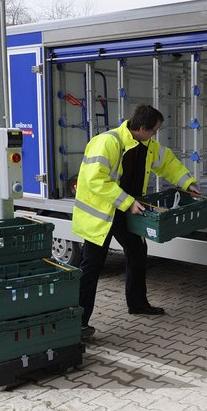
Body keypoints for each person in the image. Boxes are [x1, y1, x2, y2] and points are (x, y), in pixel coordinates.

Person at [71, 104, 198, 338]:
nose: (155, 134)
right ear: (141, 128)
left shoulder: (147, 145)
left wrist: (188, 183)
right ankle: (77, 323)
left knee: (138, 252)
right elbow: (95, 180)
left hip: (127, 209)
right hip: (102, 214)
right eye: (154, 130)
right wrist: (127, 202)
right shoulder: (108, 142)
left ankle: (138, 303)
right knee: (91, 266)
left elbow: (168, 163)